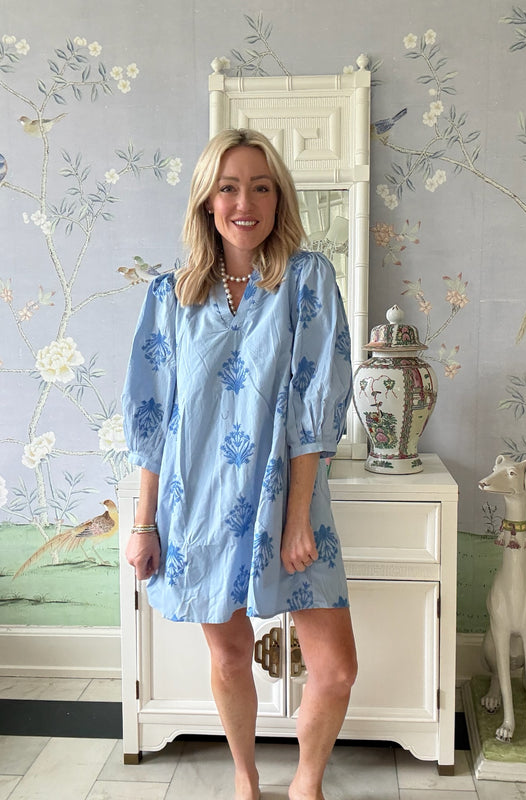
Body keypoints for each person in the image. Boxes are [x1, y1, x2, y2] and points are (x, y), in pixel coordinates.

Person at [121, 128, 357, 800]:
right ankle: (246, 779)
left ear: (279, 199)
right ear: (207, 200)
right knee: (228, 656)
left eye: (260, 187)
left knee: (335, 669)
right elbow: (152, 418)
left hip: (288, 498)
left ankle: (306, 785)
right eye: (228, 188)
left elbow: (315, 399)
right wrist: (144, 523)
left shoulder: (306, 280)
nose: (244, 203)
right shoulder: (170, 296)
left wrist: (297, 517)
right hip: (195, 500)